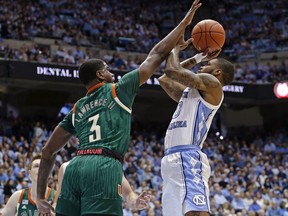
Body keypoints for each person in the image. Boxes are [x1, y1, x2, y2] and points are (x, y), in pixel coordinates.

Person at [36, 1, 202, 215]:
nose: (110, 72)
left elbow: (47, 151)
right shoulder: (117, 90)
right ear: (99, 75)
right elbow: (157, 53)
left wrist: (40, 196)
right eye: (106, 69)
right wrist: (184, 23)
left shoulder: (78, 108)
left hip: (75, 167)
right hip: (103, 168)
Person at [158, 39, 235, 216]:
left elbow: (172, 70)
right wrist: (196, 57)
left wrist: (175, 49)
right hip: (170, 159)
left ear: (217, 71)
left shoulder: (213, 84)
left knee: (196, 213)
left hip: (188, 156)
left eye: (207, 64)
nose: (202, 66)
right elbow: (165, 78)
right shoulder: (191, 94)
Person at [55, 161, 152, 211]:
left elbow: (129, 195)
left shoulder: (113, 167)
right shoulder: (66, 167)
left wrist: (135, 202)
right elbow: (57, 202)